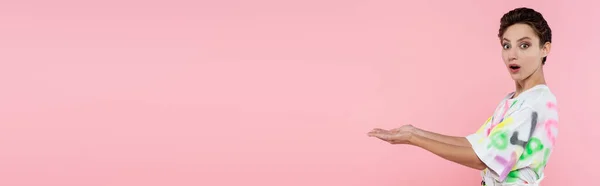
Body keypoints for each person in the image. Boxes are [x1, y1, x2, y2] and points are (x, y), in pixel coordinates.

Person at [367, 7, 558, 186]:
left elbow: (480, 159)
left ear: (545, 49)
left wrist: (413, 139)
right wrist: (414, 132)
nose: (512, 55)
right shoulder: (515, 99)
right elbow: (476, 144)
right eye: (506, 46)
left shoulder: (534, 104)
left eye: (524, 45)